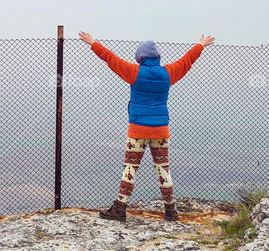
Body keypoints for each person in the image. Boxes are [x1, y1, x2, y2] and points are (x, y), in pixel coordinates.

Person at [77, 32, 215, 222]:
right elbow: (187, 61)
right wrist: (200, 45)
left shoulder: (134, 73)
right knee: (163, 169)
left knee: (130, 168)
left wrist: (93, 43)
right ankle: (170, 211)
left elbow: (111, 59)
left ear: (140, 57)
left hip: (138, 131)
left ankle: (120, 209)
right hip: (161, 131)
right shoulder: (168, 73)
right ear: (158, 57)